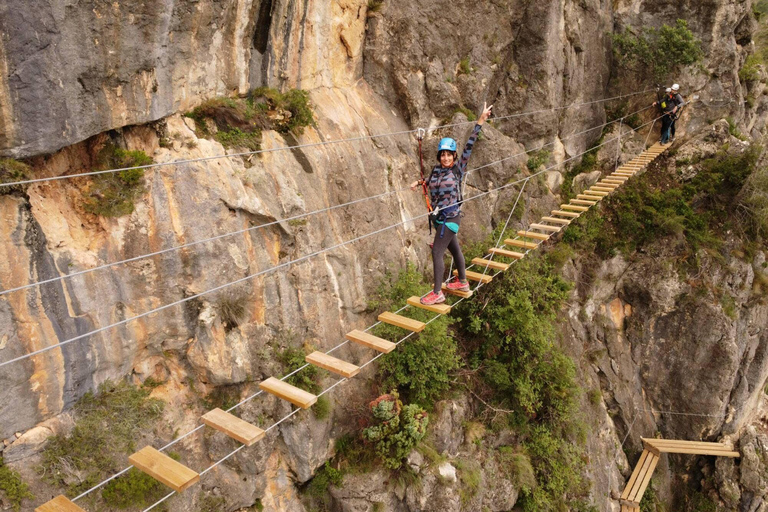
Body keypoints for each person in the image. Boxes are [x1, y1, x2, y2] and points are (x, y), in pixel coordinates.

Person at [410, 102, 493, 305]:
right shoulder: (437, 170)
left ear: (454, 155)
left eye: (449, 154)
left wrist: (480, 121)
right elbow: (431, 182)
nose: (446, 157)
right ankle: (463, 281)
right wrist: (420, 182)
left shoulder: (458, 169)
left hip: (451, 217)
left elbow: (470, 144)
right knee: (454, 250)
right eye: (443, 154)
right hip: (439, 218)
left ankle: (437, 292)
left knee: (437, 251)